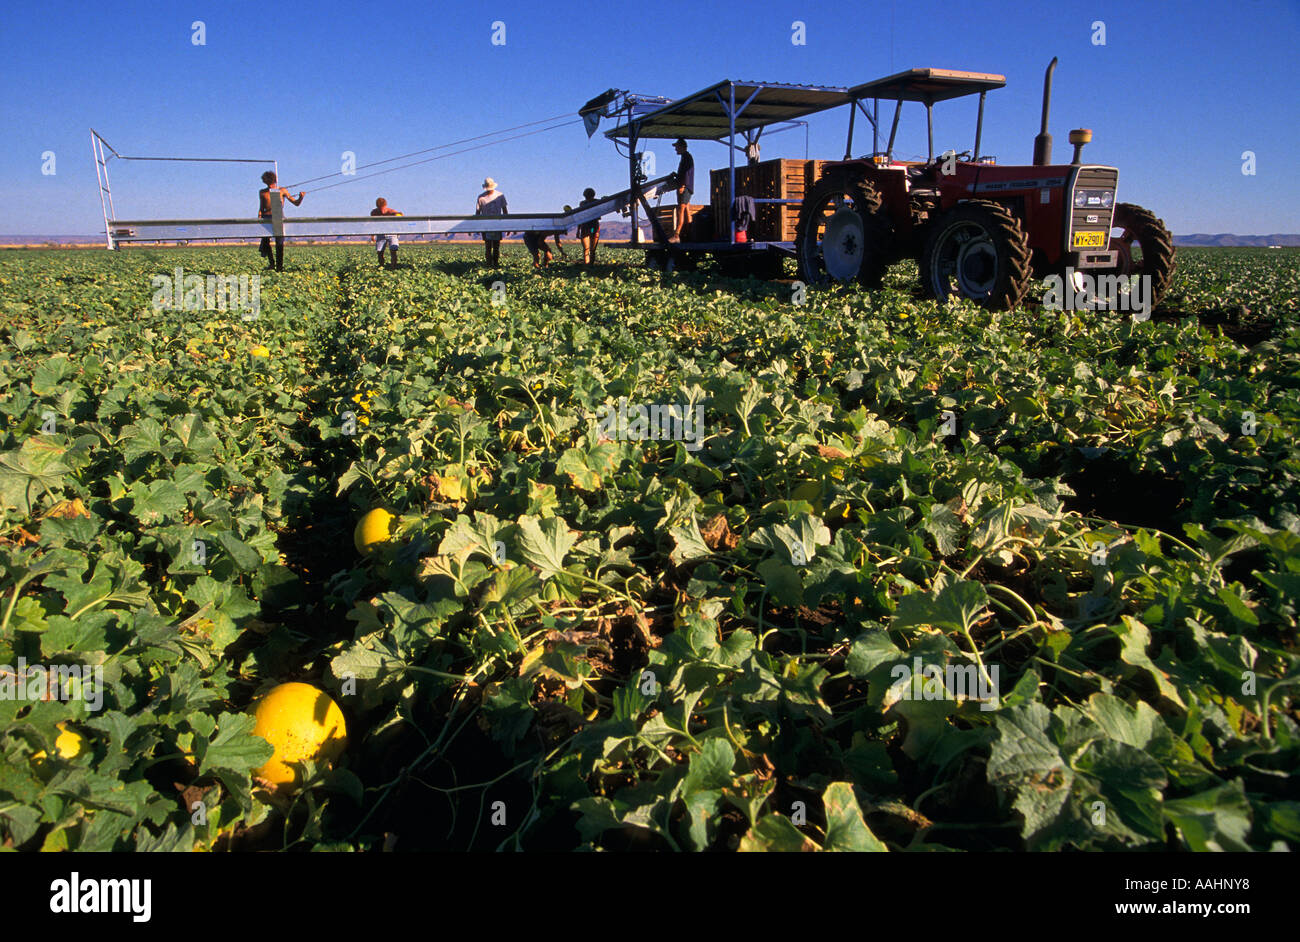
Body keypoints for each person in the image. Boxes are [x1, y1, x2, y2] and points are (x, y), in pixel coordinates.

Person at [257, 171, 304, 271]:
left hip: (278, 217)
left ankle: (279, 266)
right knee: (265, 242)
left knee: (279, 243)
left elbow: (296, 203)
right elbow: (261, 207)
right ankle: (271, 264)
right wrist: (259, 218)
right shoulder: (262, 192)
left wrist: (301, 197)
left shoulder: (282, 190)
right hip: (266, 218)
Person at [476, 178, 508, 267]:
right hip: (485, 225)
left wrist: (507, 225)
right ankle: (488, 264)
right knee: (488, 246)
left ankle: (496, 264)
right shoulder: (481, 197)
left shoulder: (500, 196)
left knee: (496, 246)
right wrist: (476, 226)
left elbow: (505, 211)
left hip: (498, 224)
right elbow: (477, 213)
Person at [672, 138, 694, 241]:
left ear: (682, 147)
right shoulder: (686, 157)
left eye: (677, 147)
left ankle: (677, 235)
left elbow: (686, 173)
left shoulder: (686, 157)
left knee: (680, 210)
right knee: (686, 210)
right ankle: (689, 233)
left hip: (685, 187)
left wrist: (682, 185)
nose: (676, 149)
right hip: (687, 187)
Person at [371, 197, 402, 268]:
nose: (382, 211)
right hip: (381, 233)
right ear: (377, 207)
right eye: (380, 209)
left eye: (383, 209)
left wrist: (398, 215)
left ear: (386, 206)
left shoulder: (391, 212)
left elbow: (400, 215)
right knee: (379, 251)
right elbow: (372, 224)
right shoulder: (374, 213)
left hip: (392, 233)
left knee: (393, 251)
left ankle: (393, 267)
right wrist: (372, 235)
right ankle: (381, 267)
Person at [577, 188, 601, 265]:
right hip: (589, 227)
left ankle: (589, 265)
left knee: (588, 249)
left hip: (590, 227)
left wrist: (578, 230)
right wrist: (578, 229)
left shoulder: (595, 202)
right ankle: (589, 265)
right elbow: (580, 216)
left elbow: (580, 217)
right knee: (590, 249)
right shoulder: (584, 203)